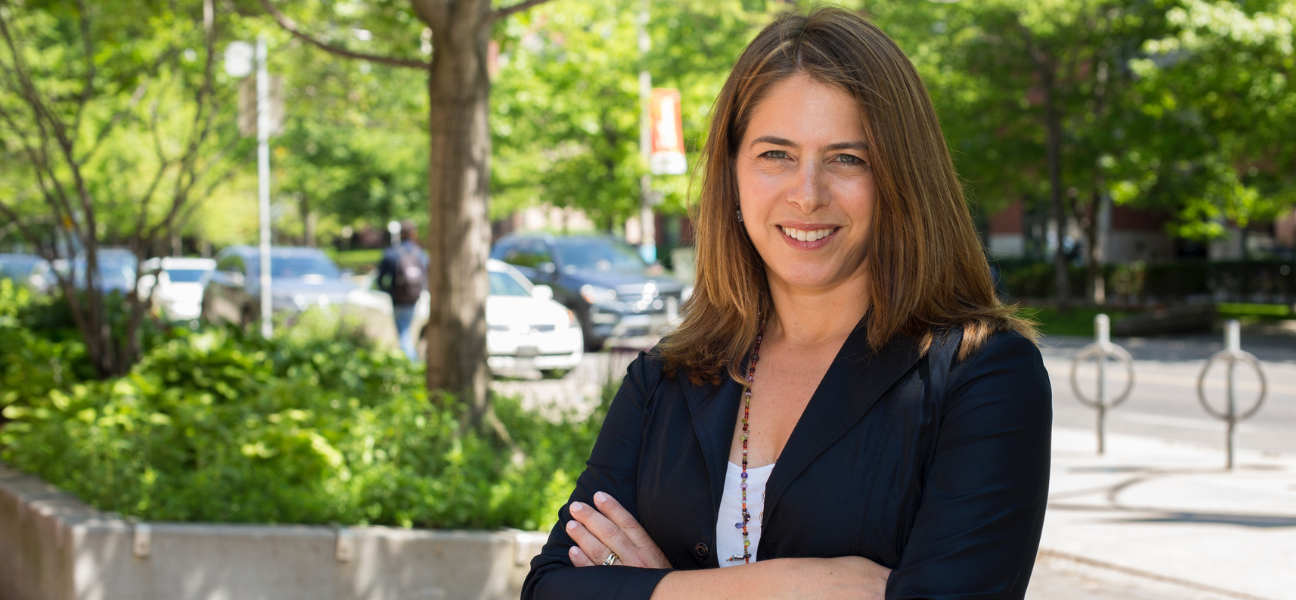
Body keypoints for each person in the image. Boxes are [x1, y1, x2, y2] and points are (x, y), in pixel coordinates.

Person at [522, 7, 1051, 600]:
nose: (807, 195)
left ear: (903, 177)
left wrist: (649, 587)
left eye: (849, 159)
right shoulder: (665, 379)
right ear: (734, 173)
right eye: (776, 154)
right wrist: (799, 583)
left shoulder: (982, 378)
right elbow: (550, 588)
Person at [376, 221, 428, 361]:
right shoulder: (421, 254)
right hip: (414, 298)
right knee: (406, 331)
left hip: (398, 299)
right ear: (414, 234)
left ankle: (412, 363)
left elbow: (380, 280)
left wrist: (391, 292)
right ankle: (410, 362)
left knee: (403, 332)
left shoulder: (392, 254)